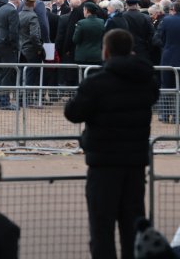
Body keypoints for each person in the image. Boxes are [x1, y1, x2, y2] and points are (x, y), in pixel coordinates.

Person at [65, 28, 159, 259]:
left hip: (104, 161)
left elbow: (73, 113)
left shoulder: (96, 82)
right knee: (132, 224)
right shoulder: (146, 79)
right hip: (135, 161)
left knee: (101, 228)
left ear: (105, 51)